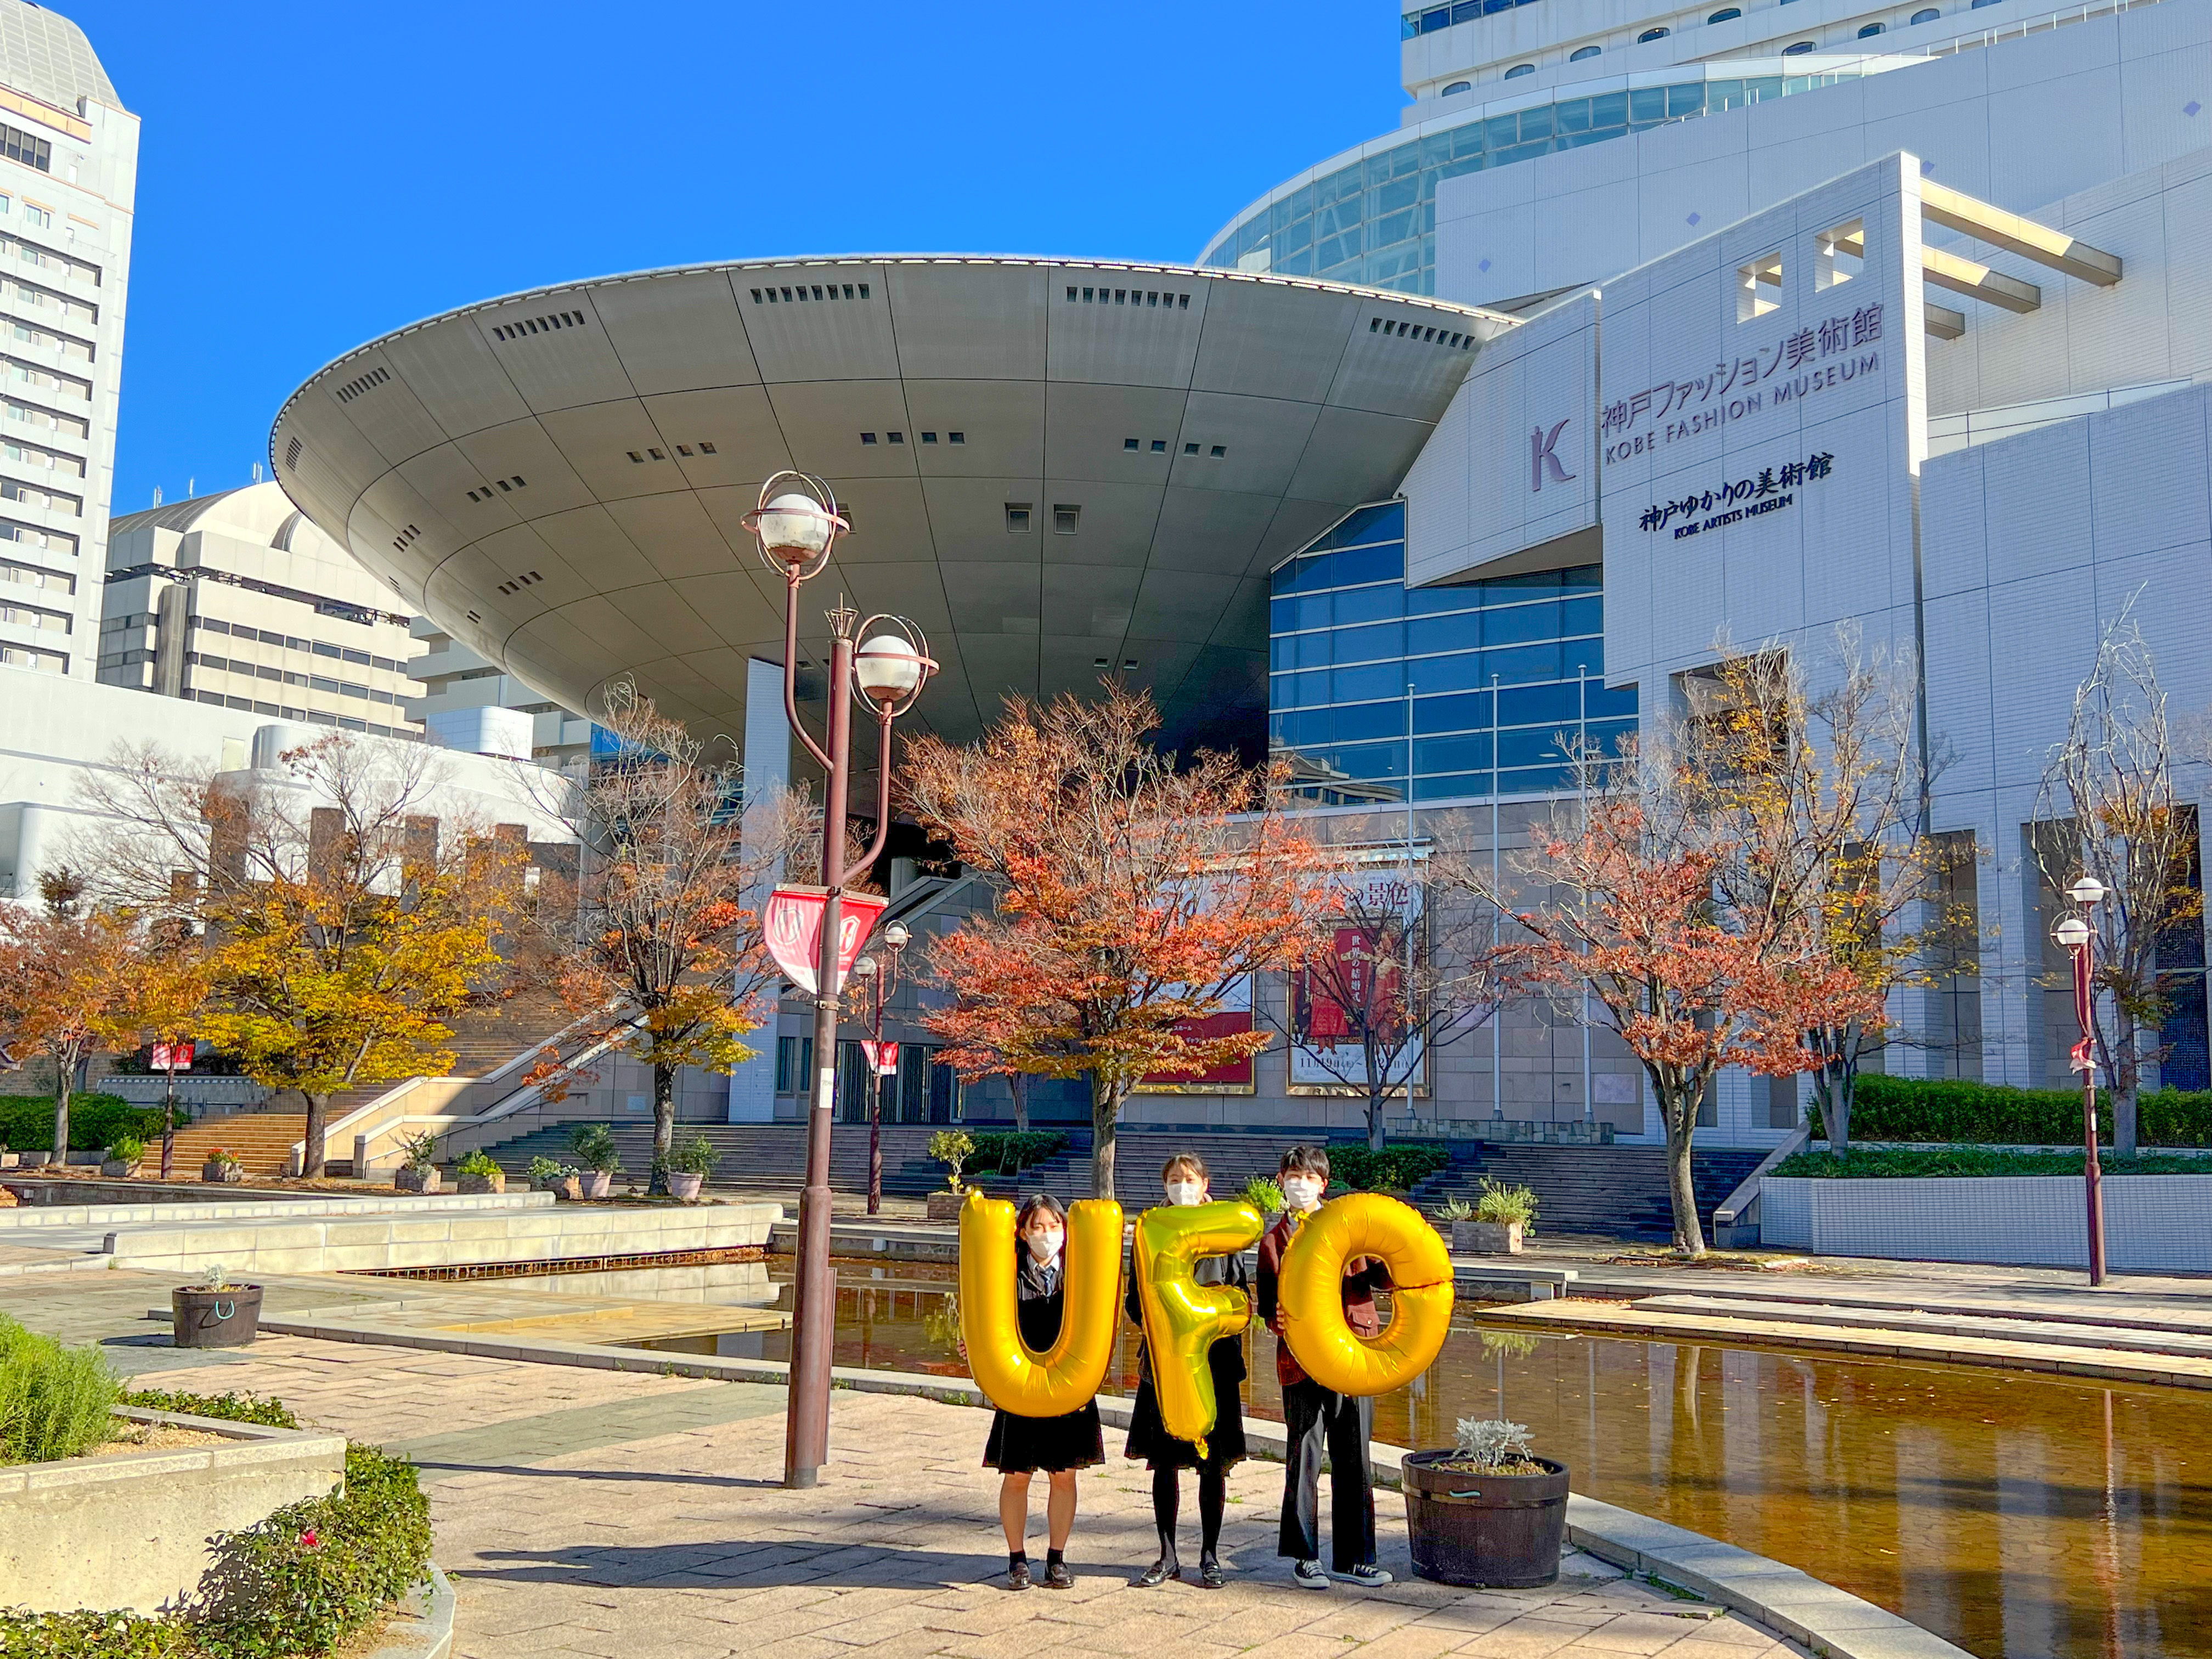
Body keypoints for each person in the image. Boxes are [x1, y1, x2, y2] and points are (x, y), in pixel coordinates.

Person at [1256, 1144, 1393, 1590]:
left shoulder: (1350, 1229)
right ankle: (1304, 1556)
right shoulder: (1273, 1241)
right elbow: (1265, 1306)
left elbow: (1383, 1278)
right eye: (1293, 1175)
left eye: (1309, 1177)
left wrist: (1390, 1244)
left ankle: (1356, 1559)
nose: (1300, 1183)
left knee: (1355, 1458)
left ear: (1323, 1184)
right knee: (1304, 1459)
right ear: (1281, 1180)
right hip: (1300, 1363)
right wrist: (1274, 1318)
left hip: (1354, 1356)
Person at [1124, 1152, 1250, 1590]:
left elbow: (1242, 1301)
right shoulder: (1151, 1235)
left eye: (1189, 1179)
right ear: (1165, 1186)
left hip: (1216, 1366)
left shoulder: (1227, 1238)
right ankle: (1167, 1555)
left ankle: (1210, 1556)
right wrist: (1168, 1322)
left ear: (1205, 1184)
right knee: (1165, 1465)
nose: (1182, 1186)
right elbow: (1133, 1303)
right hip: (1163, 1366)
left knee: (1213, 1464)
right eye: (1174, 1179)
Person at [981, 1193, 1102, 1590]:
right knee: (1017, 1475)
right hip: (1021, 1387)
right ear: (1022, 1231)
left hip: (1071, 1389)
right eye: (1038, 1227)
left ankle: (1057, 1558)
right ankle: (1017, 1559)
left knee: (1064, 1475)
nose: (1047, 1235)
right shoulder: (1007, 1271)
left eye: (1054, 1226)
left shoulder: (1081, 1272)